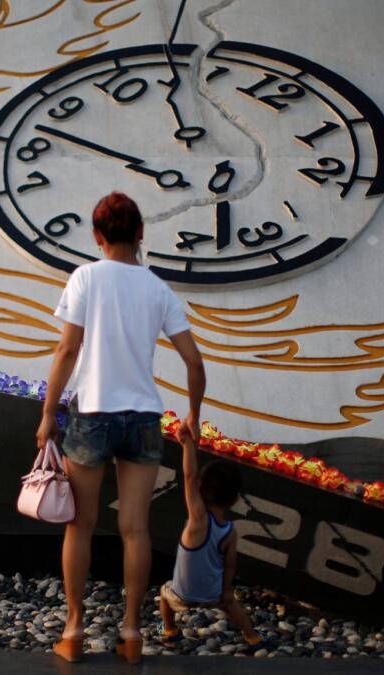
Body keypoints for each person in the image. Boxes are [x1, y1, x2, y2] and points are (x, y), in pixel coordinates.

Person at [36, 192, 206, 664]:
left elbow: (67, 352)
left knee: (80, 526)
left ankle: (73, 631)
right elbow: (194, 360)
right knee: (135, 530)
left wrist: (49, 413)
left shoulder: (85, 277)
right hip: (143, 419)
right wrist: (192, 414)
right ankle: (132, 632)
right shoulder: (157, 289)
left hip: (92, 415)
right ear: (141, 234)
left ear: (96, 237)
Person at [158, 430, 263, 647]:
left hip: (182, 593)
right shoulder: (230, 531)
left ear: (200, 490)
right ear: (234, 500)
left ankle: (170, 630)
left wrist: (187, 445)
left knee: (164, 594)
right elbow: (230, 564)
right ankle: (252, 637)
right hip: (214, 594)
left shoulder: (198, 521)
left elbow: (188, 477)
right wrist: (226, 590)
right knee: (232, 605)